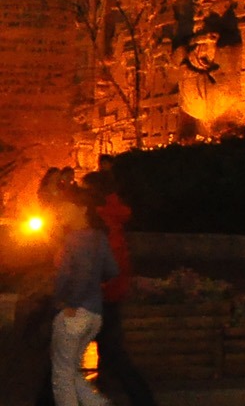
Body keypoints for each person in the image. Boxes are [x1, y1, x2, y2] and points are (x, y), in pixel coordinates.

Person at [83, 170, 158, 406]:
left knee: (75, 353)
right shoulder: (110, 217)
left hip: (101, 296)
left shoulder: (101, 221)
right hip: (108, 295)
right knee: (111, 351)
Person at [50, 187, 119, 406]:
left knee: (61, 375)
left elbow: (65, 276)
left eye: (64, 209)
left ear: (81, 209)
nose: (60, 214)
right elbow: (112, 270)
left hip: (74, 312)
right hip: (94, 313)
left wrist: (65, 301)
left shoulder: (72, 240)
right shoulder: (99, 238)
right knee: (71, 371)